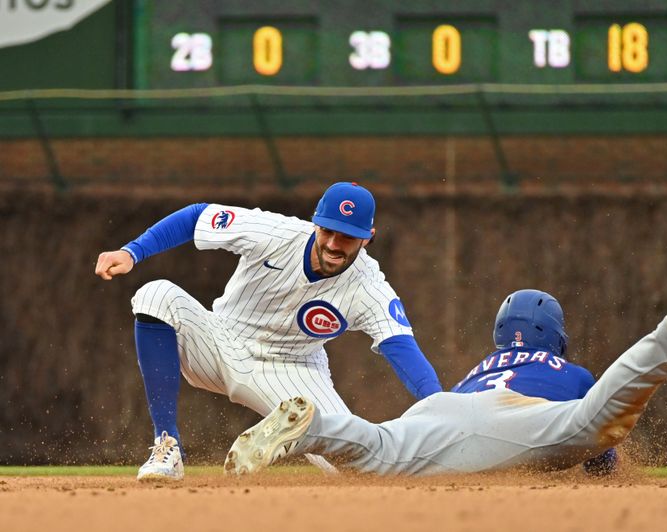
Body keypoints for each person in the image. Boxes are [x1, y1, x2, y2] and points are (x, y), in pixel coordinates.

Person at [94, 182, 442, 480]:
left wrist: (442, 409)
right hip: (219, 341)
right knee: (156, 295)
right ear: (315, 222)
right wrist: (133, 252)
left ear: (368, 238)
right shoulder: (275, 233)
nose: (335, 243)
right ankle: (166, 446)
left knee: (354, 470)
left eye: (348, 236)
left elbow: (403, 350)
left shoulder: (370, 289)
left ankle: (290, 433)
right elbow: (197, 216)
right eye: (328, 230)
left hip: (293, 372)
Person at [222, 289, 667, 477]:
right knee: (594, 426)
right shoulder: (568, 372)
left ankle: (314, 428)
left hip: (441, 409)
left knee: (375, 448)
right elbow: (599, 459)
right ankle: (664, 345)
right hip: (517, 418)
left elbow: (462, 420)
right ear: (556, 338)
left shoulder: (477, 368)